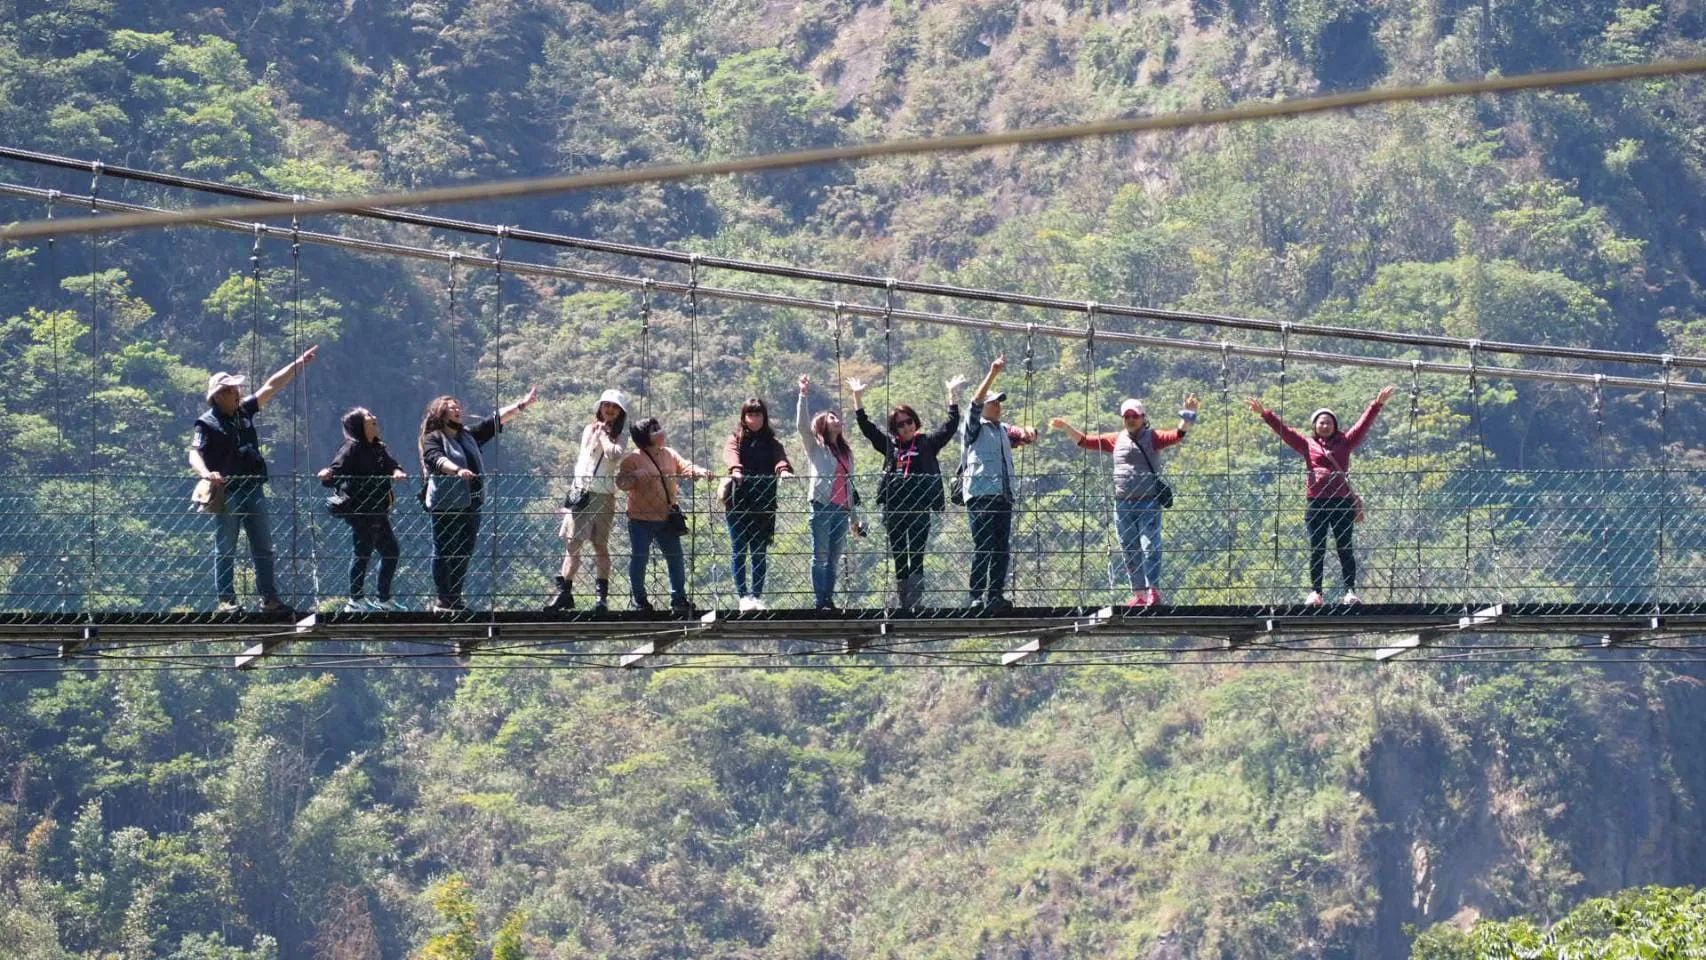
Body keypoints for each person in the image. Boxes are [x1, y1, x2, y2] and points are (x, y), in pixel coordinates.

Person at [189, 346, 318, 614]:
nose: (236, 393)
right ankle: (227, 602)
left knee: (263, 547)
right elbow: (194, 453)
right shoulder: (206, 423)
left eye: (236, 389)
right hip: (229, 491)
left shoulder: (244, 412)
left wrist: (299, 363)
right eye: (230, 390)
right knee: (226, 547)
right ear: (217, 396)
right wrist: (206, 474)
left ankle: (270, 600)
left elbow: (272, 386)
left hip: (254, 488)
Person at [1246, 385, 1394, 606]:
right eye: (1321, 422)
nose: (1325, 425)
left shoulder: (1346, 442)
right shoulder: (1307, 444)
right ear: (1315, 426)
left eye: (1329, 422)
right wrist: (1265, 414)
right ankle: (1316, 593)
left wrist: (1377, 404)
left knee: (1345, 546)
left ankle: (1350, 592)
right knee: (1318, 547)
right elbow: (1284, 432)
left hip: (1342, 502)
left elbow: (1363, 426)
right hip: (1316, 503)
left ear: (1335, 426)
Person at [1051, 395, 1199, 608]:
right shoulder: (1115, 439)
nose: (1131, 420)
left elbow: (1178, 434)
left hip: (1148, 501)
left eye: (1135, 416)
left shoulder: (1153, 437)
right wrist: (1066, 427)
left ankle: (1153, 592)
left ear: (1143, 417)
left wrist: (1188, 414)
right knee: (1130, 548)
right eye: (1127, 416)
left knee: (1151, 547)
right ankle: (1139, 594)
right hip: (1123, 503)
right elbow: (1085, 441)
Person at [851, 373, 966, 610]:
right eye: (900, 424)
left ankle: (917, 603)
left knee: (917, 555)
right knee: (900, 556)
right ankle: (905, 603)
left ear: (915, 423)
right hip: (894, 509)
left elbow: (949, 427)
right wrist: (857, 398)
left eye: (909, 422)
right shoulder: (891, 447)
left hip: (919, 508)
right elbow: (868, 429)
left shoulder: (926, 444)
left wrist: (952, 395)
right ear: (895, 429)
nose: (905, 427)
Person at [419, 387, 540, 613]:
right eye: (451, 407)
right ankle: (444, 600)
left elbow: (494, 421)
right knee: (445, 549)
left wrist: (522, 404)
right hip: (446, 502)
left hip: (471, 502)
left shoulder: (467, 436)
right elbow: (435, 459)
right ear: (440, 413)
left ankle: (455, 596)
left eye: (458, 407)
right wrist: (457, 470)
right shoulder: (434, 438)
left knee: (464, 549)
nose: (457, 410)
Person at [958, 356, 1038, 612]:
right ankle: (975, 596)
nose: (998, 407)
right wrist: (992, 373)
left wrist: (1030, 431)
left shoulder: (1001, 429)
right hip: (981, 495)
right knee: (983, 545)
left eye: (998, 403)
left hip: (1003, 496)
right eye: (994, 403)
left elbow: (1023, 435)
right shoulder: (974, 427)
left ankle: (994, 594)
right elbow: (974, 403)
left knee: (1001, 547)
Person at [616, 417, 713, 614]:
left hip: (666, 517)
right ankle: (639, 600)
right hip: (640, 519)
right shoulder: (632, 459)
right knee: (640, 557)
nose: (660, 432)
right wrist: (635, 475)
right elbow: (621, 483)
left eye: (658, 428)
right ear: (644, 436)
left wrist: (699, 471)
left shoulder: (669, 454)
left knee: (675, 558)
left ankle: (678, 599)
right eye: (654, 430)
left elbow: (684, 466)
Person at [317, 407, 409, 612]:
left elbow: (392, 465)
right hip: (359, 509)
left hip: (377, 508)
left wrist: (396, 472)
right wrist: (327, 472)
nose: (374, 418)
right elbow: (336, 468)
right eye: (368, 416)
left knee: (390, 551)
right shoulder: (352, 447)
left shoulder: (378, 448)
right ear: (359, 425)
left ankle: (383, 599)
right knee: (363, 552)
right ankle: (355, 600)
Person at [546, 389, 629, 613]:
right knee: (573, 544)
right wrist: (571, 495)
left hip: (604, 495)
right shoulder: (588, 429)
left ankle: (601, 599)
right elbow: (584, 460)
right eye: (606, 405)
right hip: (582, 492)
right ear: (600, 408)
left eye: (614, 407)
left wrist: (603, 435)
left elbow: (614, 454)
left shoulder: (621, 434)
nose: (609, 409)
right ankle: (565, 593)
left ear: (621, 412)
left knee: (600, 545)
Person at [795, 375, 864, 611]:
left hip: (842, 510)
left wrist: (854, 518)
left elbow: (849, 486)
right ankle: (821, 600)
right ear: (823, 425)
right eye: (832, 418)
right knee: (821, 556)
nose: (837, 421)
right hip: (822, 506)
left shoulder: (846, 452)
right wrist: (803, 395)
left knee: (834, 559)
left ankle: (829, 600)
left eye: (837, 417)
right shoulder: (816, 447)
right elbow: (802, 426)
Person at [721, 398, 795, 612]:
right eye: (750, 415)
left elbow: (780, 458)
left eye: (759, 415)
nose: (754, 419)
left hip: (764, 501)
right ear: (743, 417)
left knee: (759, 550)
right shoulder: (736, 438)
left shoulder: (771, 442)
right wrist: (736, 469)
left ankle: (757, 596)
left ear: (765, 417)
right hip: (739, 501)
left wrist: (783, 470)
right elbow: (731, 454)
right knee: (739, 548)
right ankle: (743, 596)